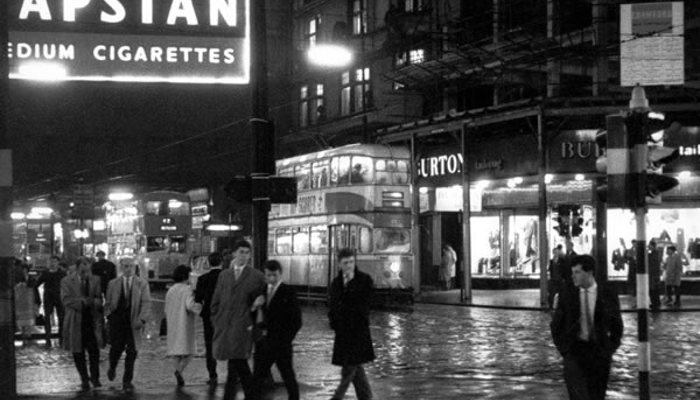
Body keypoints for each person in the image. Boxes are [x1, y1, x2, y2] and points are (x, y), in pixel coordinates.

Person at [550, 254, 623, 400]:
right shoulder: (567, 293)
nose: (573, 276)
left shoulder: (607, 294)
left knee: (596, 395)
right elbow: (556, 325)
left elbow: (617, 325)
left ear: (589, 273)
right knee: (577, 394)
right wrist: (565, 350)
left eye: (577, 272)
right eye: (572, 272)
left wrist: (609, 349)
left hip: (599, 353)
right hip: (574, 353)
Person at [211, 240, 266, 400]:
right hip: (225, 327)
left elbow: (264, 301)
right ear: (234, 253)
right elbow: (216, 301)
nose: (244, 256)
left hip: (244, 326)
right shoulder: (224, 276)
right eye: (241, 252)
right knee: (234, 365)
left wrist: (256, 308)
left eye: (247, 253)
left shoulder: (257, 276)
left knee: (238, 362)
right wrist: (216, 320)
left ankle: (248, 395)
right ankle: (239, 395)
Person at [251, 260, 302, 400]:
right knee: (257, 377)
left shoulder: (288, 291)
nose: (272, 278)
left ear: (280, 274)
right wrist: (255, 306)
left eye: (274, 275)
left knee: (288, 376)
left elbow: (296, 321)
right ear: (265, 275)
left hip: (281, 344)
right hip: (263, 342)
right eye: (268, 275)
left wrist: (286, 340)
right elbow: (252, 315)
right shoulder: (260, 291)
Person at [328, 248, 375, 400]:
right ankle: (366, 398)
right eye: (345, 263)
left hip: (357, 333)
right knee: (355, 369)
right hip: (342, 333)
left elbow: (365, 304)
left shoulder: (364, 280)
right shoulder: (336, 283)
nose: (349, 266)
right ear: (339, 264)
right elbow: (332, 306)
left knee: (348, 370)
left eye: (351, 262)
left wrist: (350, 286)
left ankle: (337, 397)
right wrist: (334, 323)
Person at [104, 257, 151, 391]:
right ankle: (112, 367)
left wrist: (142, 319)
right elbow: (108, 303)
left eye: (131, 266)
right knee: (116, 349)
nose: (129, 269)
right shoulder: (113, 283)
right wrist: (108, 315)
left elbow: (146, 303)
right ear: (121, 268)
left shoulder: (142, 283)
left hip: (133, 323)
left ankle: (127, 380)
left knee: (132, 352)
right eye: (126, 266)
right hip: (117, 322)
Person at [61, 257, 104, 390]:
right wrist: (83, 302)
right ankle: (84, 378)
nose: (86, 271)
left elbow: (98, 298)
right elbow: (66, 299)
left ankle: (95, 378)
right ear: (78, 267)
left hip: (92, 320)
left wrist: (94, 302)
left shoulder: (95, 280)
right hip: (75, 319)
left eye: (88, 268)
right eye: (83, 268)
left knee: (94, 351)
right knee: (78, 351)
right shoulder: (67, 281)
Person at [165, 265, 202, 387]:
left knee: (175, 352)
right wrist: (200, 307)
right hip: (184, 323)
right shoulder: (187, 290)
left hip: (172, 322)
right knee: (190, 351)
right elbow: (190, 305)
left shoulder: (170, 290)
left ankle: (178, 372)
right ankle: (179, 371)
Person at [194, 252, 226, 387]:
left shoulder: (202, 279)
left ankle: (212, 375)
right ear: (222, 262)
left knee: (209, 345)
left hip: (208, 316)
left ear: (208, 262)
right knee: (229, 344)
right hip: (225, 315)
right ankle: (233, 374)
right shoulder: (227, 277)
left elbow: (198, 299)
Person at [37, 256, 66, 347]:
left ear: (58, 263)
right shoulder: (45, 273)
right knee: (47, 318)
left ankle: (61, 338)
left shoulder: (62, 273)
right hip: (48, 298)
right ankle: (48, 338)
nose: (52, 263)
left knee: (61, 318)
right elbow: (38, 283)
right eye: (51, 261)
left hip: (59, 297)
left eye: (54, 261)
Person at [14, 264, 39, 347]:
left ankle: (27, 337)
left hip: (29, 303)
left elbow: (34, 288)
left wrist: (37, 303)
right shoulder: (16, 279)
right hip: (21, 303)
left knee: (29, 323)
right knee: (22, 323)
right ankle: (24, 337)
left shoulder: (30, 278)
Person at [647, 241, 662, 311]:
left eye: (650, 246)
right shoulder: (652, 253)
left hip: (654, 274)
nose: (648, 247)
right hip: (652, 274)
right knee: (653, 289)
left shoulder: (655, 253)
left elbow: (653, 261)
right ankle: (655, 302)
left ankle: (655, 303)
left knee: (653, 290)